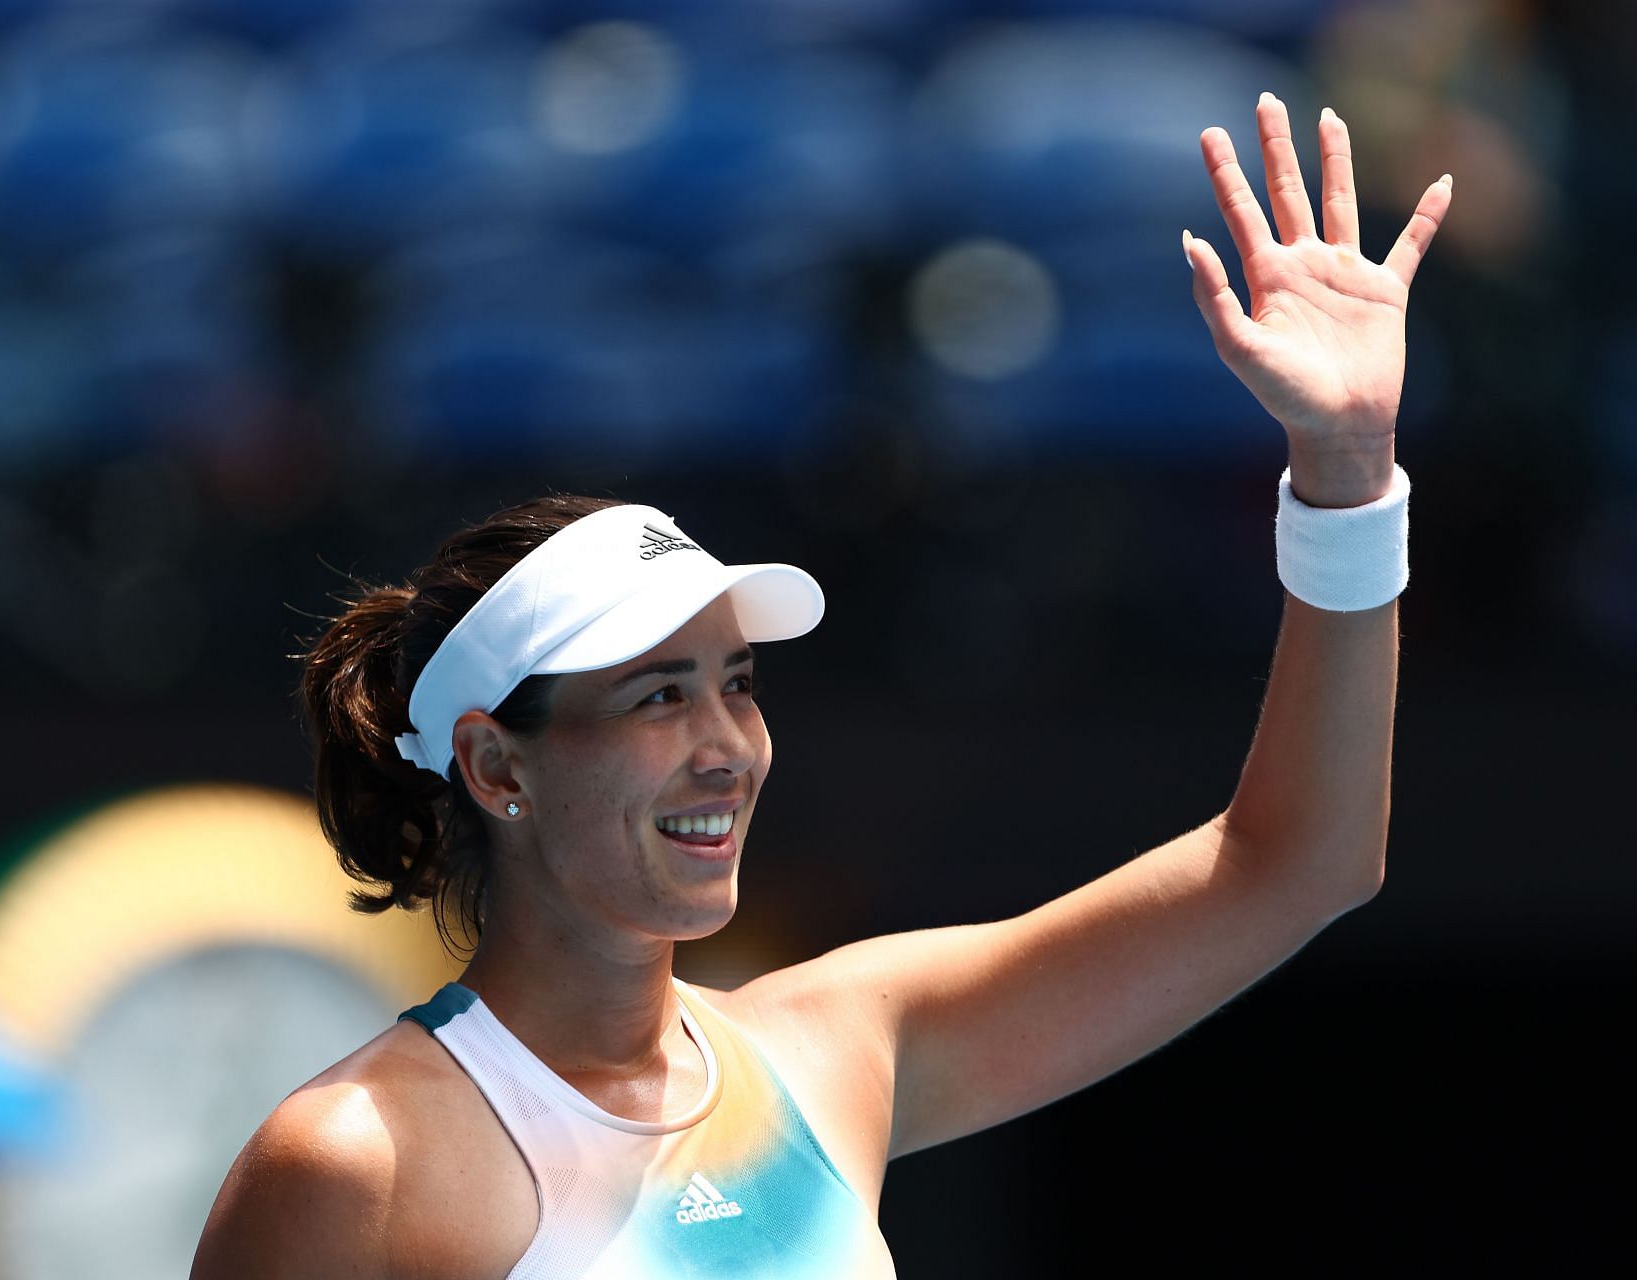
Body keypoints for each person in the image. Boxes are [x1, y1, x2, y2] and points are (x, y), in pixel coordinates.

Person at [192, 94, 1451, 1278]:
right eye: (655, 697)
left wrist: (1347, 472)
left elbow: (1300, 861)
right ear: (496, 764)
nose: (727, 744)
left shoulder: (833, 1045)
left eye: (734, 684)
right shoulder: (353, 1159)